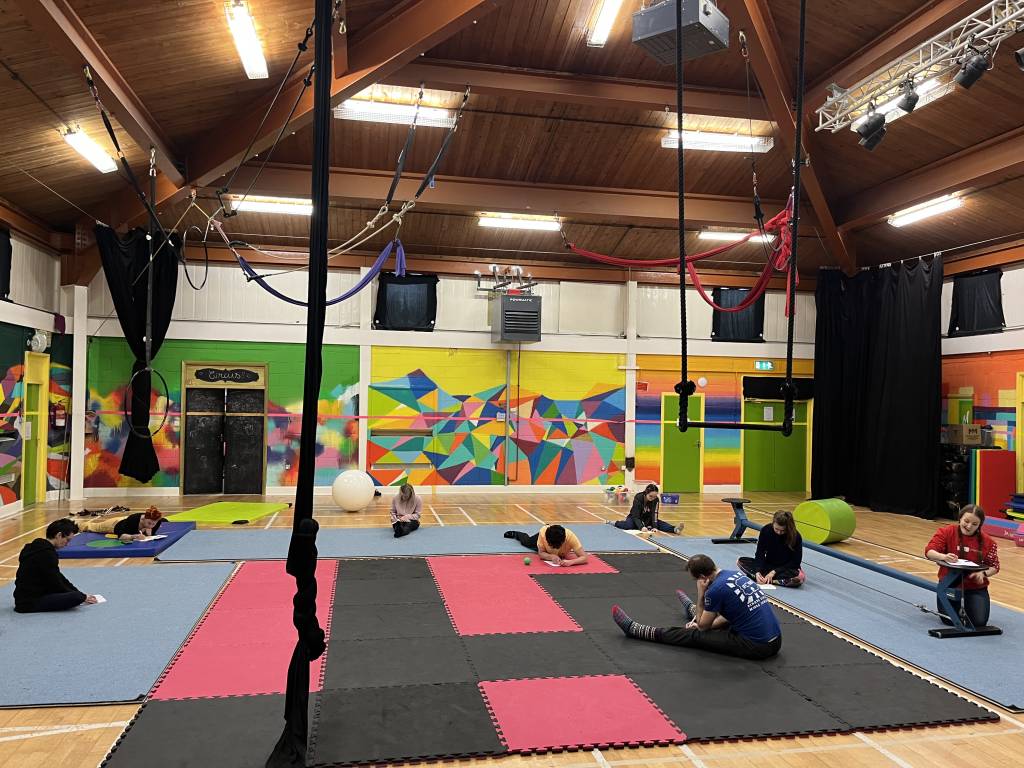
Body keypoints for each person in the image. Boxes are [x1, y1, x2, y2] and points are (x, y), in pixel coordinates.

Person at [611, 553, 781, 660]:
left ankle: (639, 630)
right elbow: (730, 615)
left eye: (696, 580)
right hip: (775, 641)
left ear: (701, 577)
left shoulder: (715, 590)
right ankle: (693, 611)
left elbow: (702, 627)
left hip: (757, 648)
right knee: (722, 618)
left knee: (695, 635)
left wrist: (701, 595)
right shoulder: (734, 574)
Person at [925, 504, 999, 628]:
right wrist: (943, 557)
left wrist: (983, 573)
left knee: (979, 623)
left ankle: (968, 605)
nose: (969, 526)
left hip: (975, 587)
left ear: (980, 525)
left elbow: (995, 566)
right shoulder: (946, 531)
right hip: (949, 585)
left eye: (975, 524)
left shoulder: (989, 542)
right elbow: (929, 551)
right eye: (966, 521)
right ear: (960, 518)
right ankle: (958, 606)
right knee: (949, 620)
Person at [13, 519, 98, 613]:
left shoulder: (32, 547)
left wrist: (79, 592)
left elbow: (58, 576)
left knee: (75, 594)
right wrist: (81, 597)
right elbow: (55, 583)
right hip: (30, 602)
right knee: (76, 598)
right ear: (59, 535)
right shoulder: (47, 554)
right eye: (67, 540)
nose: (67, 544)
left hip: (22, 597)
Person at [737, 510, 805, 587]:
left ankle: (770, 579)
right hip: (769, 565)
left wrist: (774, 572)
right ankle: (767, 579)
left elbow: (795, 562)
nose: (779, 533)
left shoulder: (796, 536)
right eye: (776, 529)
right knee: (740, 561)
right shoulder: (766, 530)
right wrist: (757, 571)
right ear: (773, 523)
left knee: (799, 577)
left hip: (786, 568)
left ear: (788, 527)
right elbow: (760, 553)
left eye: (783, 530)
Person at [503, 524, 590, 567]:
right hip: (544, 536)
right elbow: (541, 554)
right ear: (547, 540)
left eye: (557, 546)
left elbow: (584, 557)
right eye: (552, 546)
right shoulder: (543, 534)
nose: (554, 548)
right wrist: (551, 556)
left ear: (564, 540)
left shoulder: (570, 537)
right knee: (527, 542)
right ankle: (515, 533)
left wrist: (571, 562)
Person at [613, 484, 683, 535]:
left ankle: (675, 529)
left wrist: (655, 527)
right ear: (646, 493)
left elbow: (655, 514)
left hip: (647, 518)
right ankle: (614, 523)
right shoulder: (638, 497)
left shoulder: (656, 500)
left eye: (655, 496)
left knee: (659, 523)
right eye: (651, 496)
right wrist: (641, 527)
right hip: (635, 517)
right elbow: (635, 515)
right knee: (629, 525)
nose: (652, 498)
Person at [78, 506, 164, 542]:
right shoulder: (133, 520)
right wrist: (133, 536)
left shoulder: (157, 521)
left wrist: (149, 529)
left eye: (153, 524)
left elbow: (151, 533)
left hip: (125, 521)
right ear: (144, 518)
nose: (151, 525)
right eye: (149, 523)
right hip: (114, 524)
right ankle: (77, 524)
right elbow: (121, 536)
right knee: (93, 527)